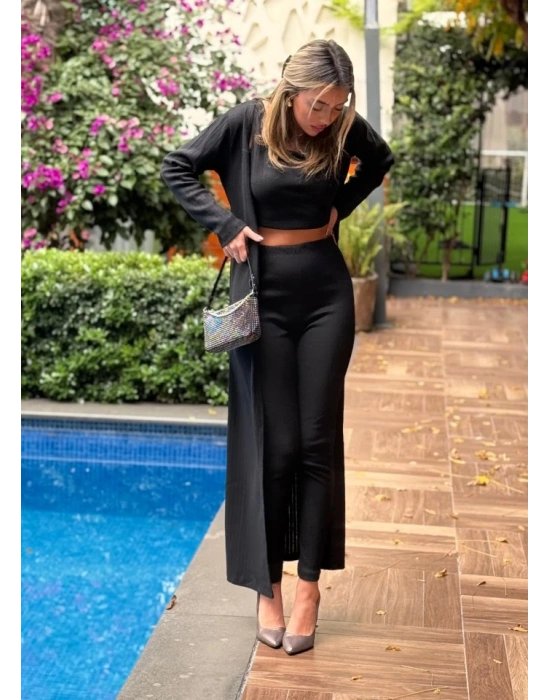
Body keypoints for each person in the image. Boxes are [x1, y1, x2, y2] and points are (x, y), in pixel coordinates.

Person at [161, 38, 394, 656]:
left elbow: (379, 159)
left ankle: (309, 587)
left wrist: (339, 207)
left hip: (325, 297)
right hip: (262, 299)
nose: (326, 117)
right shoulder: (246, 123)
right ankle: (267, 587)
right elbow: (177, 166)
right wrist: (226, 224)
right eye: (318, 105)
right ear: (292, 91)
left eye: (337, 106)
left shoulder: (341, 126)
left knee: (317, 440)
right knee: (276, 443)